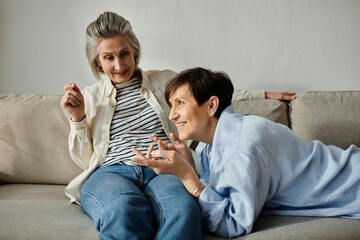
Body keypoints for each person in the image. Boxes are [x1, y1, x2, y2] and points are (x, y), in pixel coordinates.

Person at [131, 67, 360, 238]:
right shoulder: (212, 142)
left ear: (211, 106)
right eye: (172, 105)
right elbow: (219, 191)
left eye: (180, 103)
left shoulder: (243, 148)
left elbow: (234, 224)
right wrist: (189, 164)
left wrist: (186, 175)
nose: (172, 116)